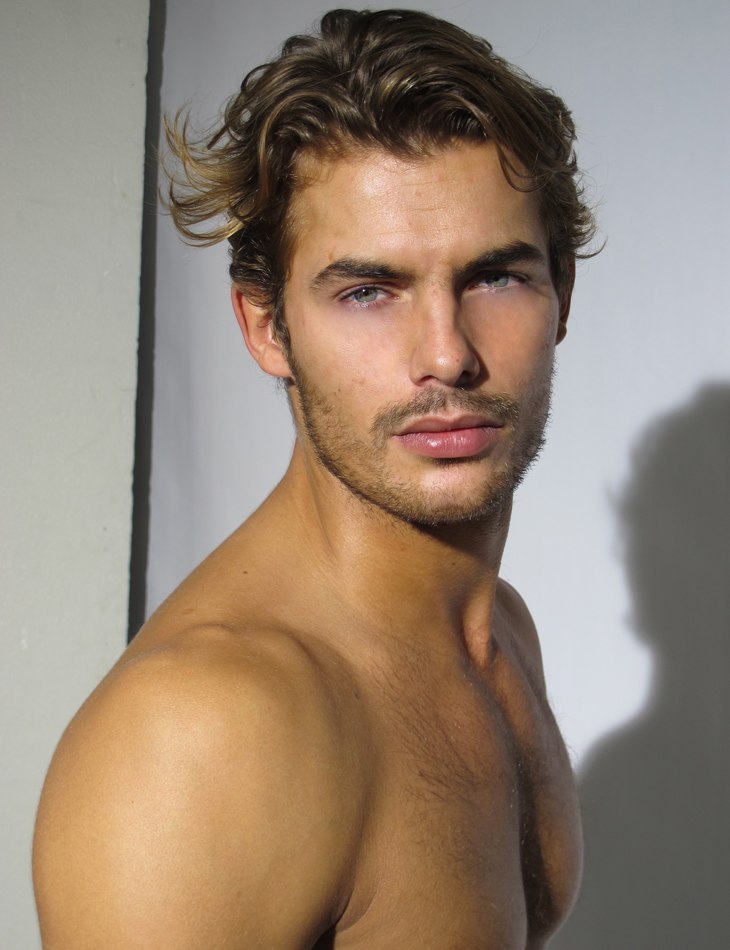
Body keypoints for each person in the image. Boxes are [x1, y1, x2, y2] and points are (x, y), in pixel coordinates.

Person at [33, 9, 597, 948]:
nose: (447, 355)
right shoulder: (202, 736)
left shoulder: (501, 632)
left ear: (561, 295)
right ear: (266, 327)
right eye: (368, 291)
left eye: (495, 277)